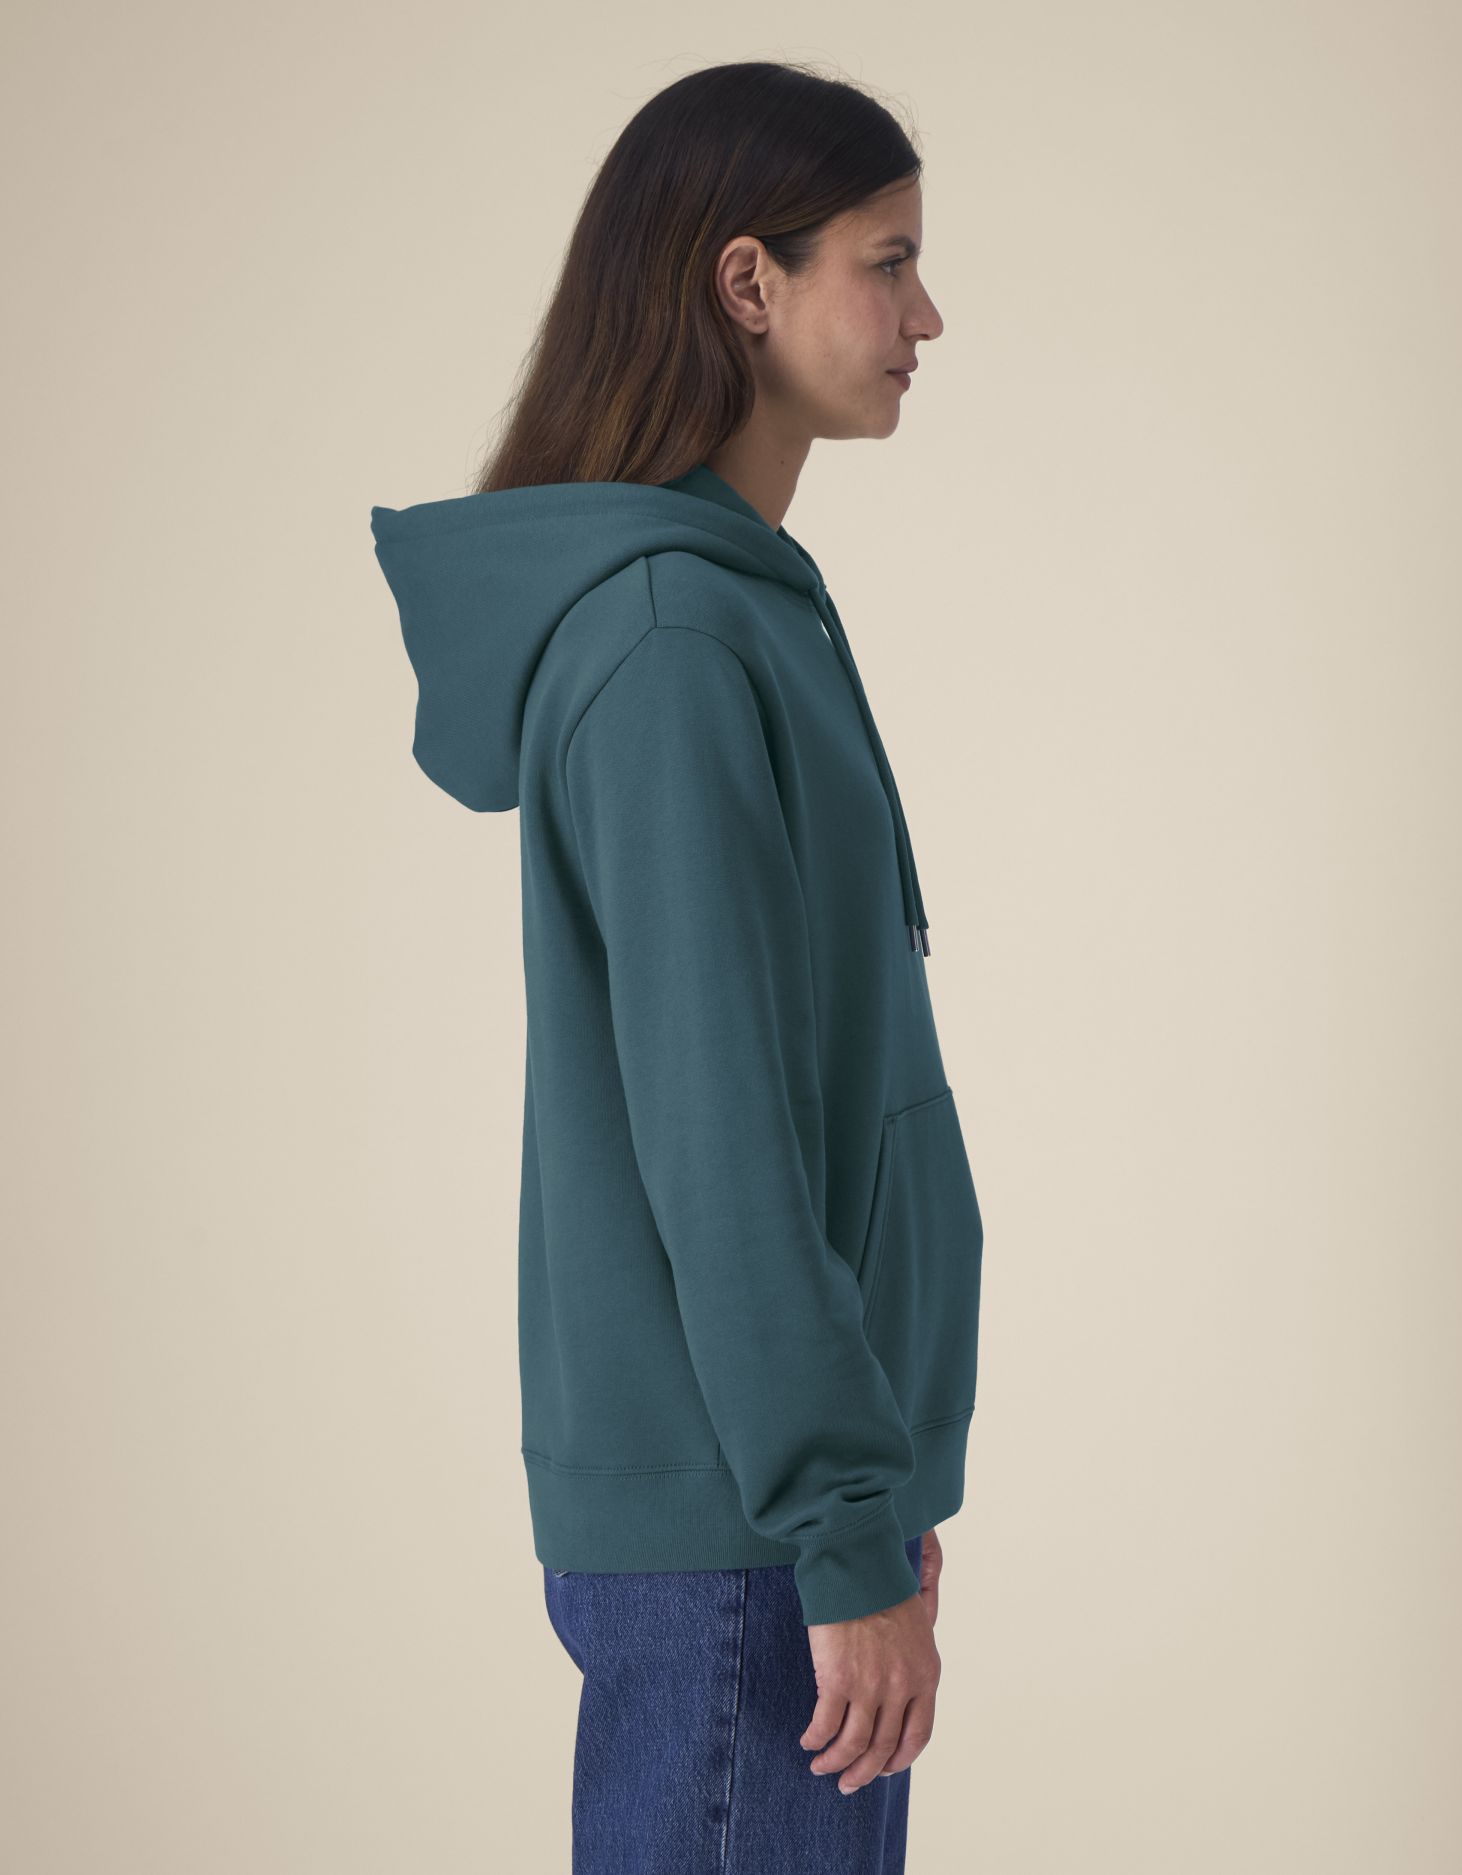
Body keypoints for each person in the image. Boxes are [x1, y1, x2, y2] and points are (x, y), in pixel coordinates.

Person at [371, 58, 984, 1875]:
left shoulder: (735, 610)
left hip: (777, 1510)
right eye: (888, 263)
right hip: (746, 1534)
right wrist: (836, 1521)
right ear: (746, 285)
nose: (927, 316)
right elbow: (720, 1139)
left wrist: (865, 1492)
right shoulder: (668, 647)